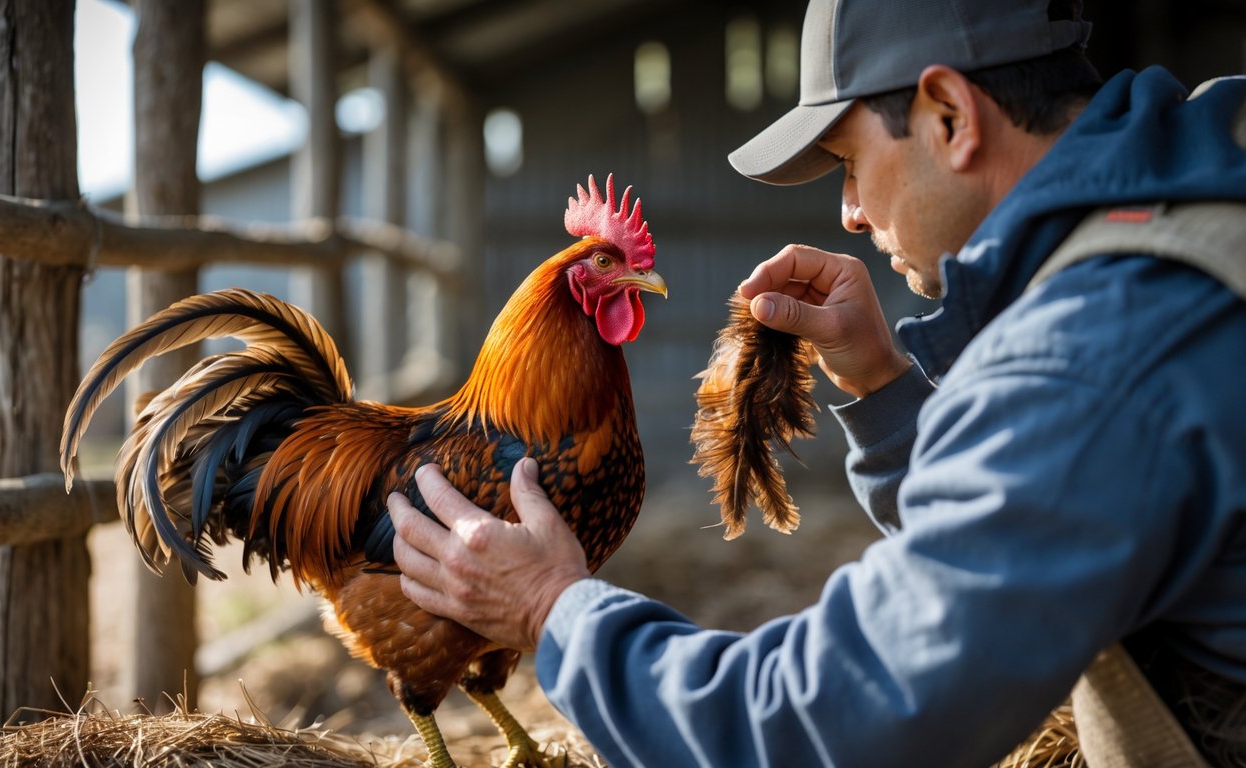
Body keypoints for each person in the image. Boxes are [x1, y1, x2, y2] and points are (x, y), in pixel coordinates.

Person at [388, 0, 1246, 764]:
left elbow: (833, 723)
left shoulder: (1092, 347)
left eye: (845, 159)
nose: (849, 212)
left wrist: (552, 609)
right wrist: (881, 383)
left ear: (950, 114)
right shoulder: (1205, 185)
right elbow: (1034, 534)